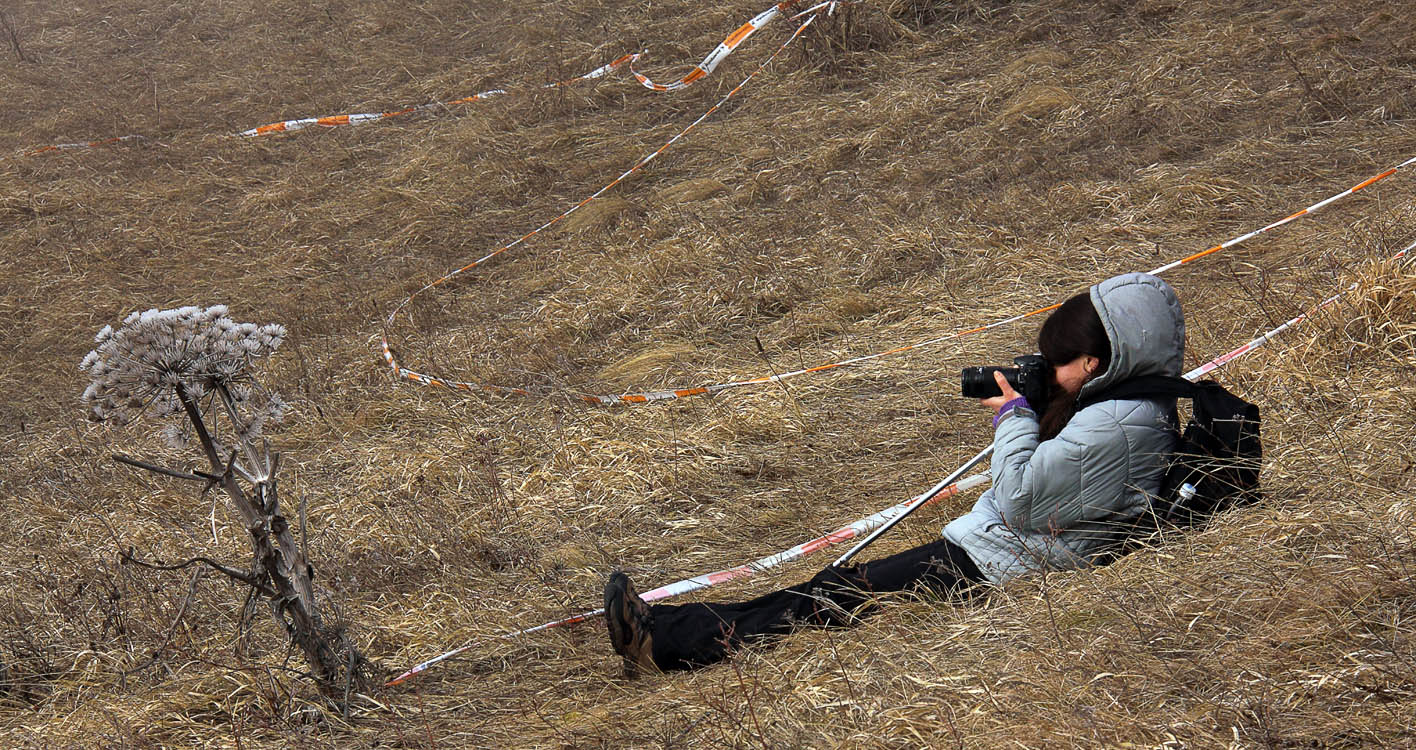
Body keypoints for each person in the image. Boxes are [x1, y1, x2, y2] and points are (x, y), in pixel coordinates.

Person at [603, 272, 1185, 677]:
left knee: (824, 605)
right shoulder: (1127, 407)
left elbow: (1019, 499)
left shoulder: (1121, 422)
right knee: (829, 593)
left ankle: (664, 646)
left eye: (1059, 361)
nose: (1052, 371)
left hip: (1002, 564)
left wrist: (1014, 416)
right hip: (999, 553)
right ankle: (667, 626)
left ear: (1094, 360)